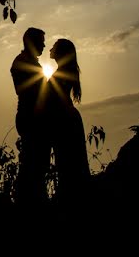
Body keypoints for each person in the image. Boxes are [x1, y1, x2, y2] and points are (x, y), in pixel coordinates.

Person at [45, 38, 90, 198]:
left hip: (64, 119)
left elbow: (54, 97)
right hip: (65, 117)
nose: (50, 49)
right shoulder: (65, 71)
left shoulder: (62, 73)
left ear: (61, 52)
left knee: (68, 161)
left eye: (54, 47)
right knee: (68, 159)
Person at [10, 27, 50, 204]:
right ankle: (27, 202)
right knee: (32, 166)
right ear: (31, 42)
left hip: (35, 117)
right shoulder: (21, 62)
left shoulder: (31, 62)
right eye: (41, 41)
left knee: (38, 165)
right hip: (30, 117)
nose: (43, 45)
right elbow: (24, 90)